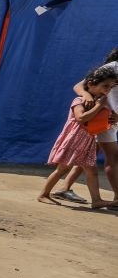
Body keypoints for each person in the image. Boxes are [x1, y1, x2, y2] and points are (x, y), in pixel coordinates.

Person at [38, 65, 118, 209]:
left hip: (87, 143)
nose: (107, 91)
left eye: (110, 88)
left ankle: (96, 200)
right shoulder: (79, 101)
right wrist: (99, 106)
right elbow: (81, 118)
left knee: (92, 172)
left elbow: (100, 121)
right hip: (73, 142)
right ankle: (44, 194)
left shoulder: (99, 102)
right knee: (62, 169)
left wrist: (110, 117)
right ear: (91, 85)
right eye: (104, 86)